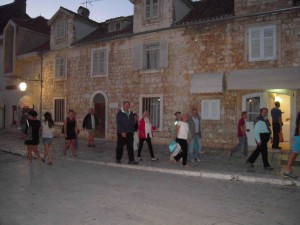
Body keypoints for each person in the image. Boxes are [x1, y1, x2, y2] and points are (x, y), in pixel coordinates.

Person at [283, 111, 300, 179]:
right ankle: (287, 169)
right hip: (299, 136)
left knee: (294, 153)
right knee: (294, 153)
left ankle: (288, 169)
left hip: (298, 136)